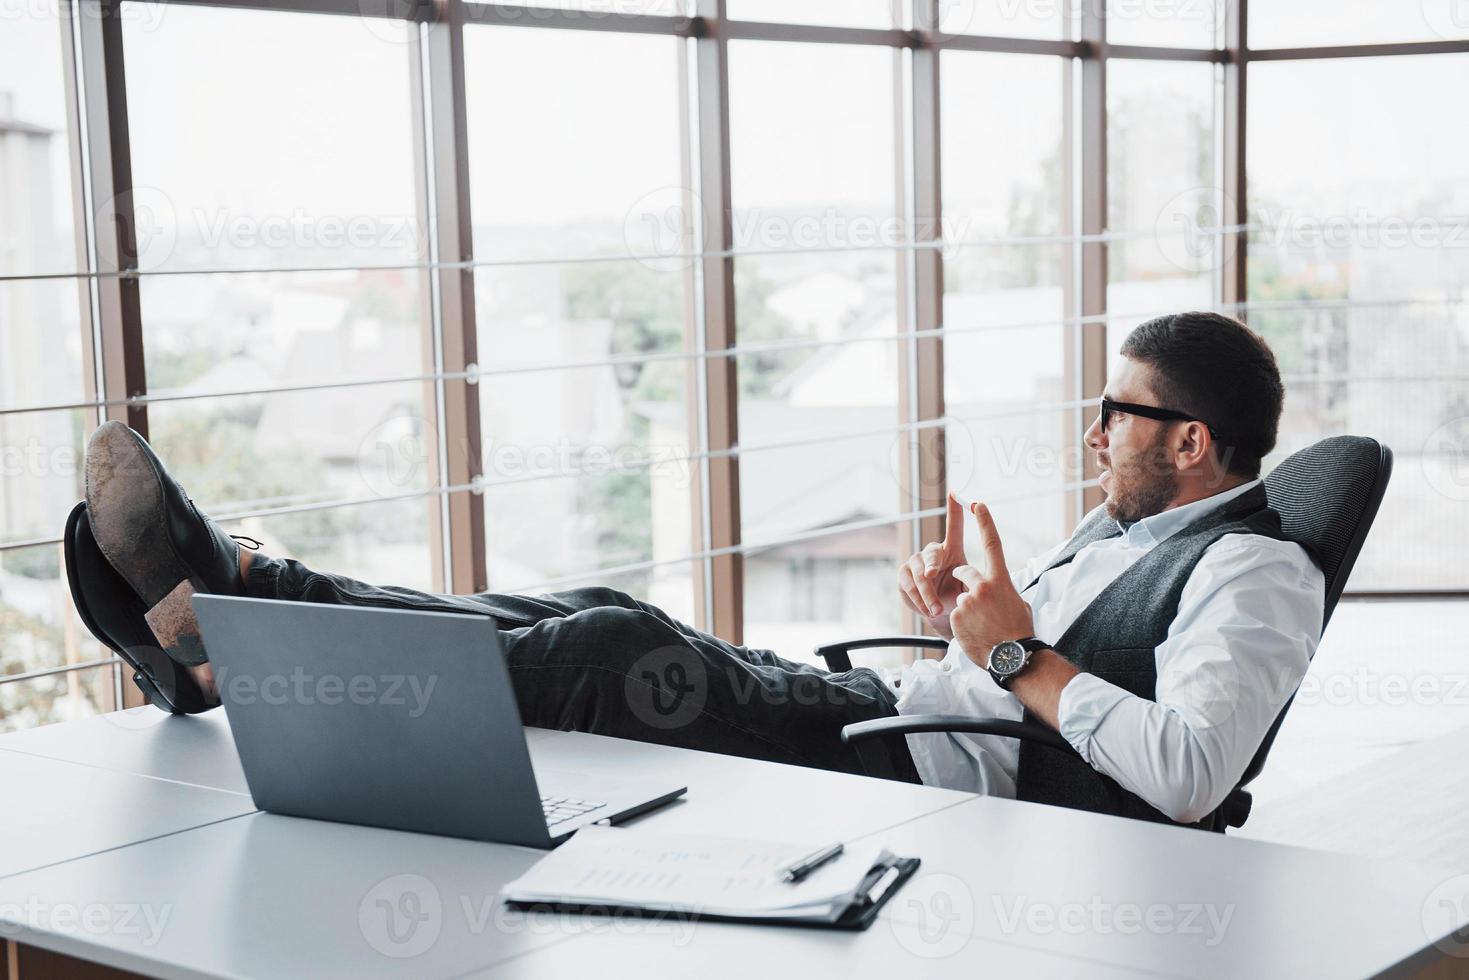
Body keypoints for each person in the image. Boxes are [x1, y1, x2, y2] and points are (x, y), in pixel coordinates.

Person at [75, 311, 1322, 827]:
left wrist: (1005, 649)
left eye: (1119, 410)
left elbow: (1190, 774)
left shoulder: (1251, 573)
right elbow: (1020, 670)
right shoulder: (1116, 532)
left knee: (604, 659)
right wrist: (960, 626)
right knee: (594, 610)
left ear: (1192, 442)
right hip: (889, 712)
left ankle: (226, 612)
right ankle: (240, 594)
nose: (1095, 431)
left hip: (919, 765)